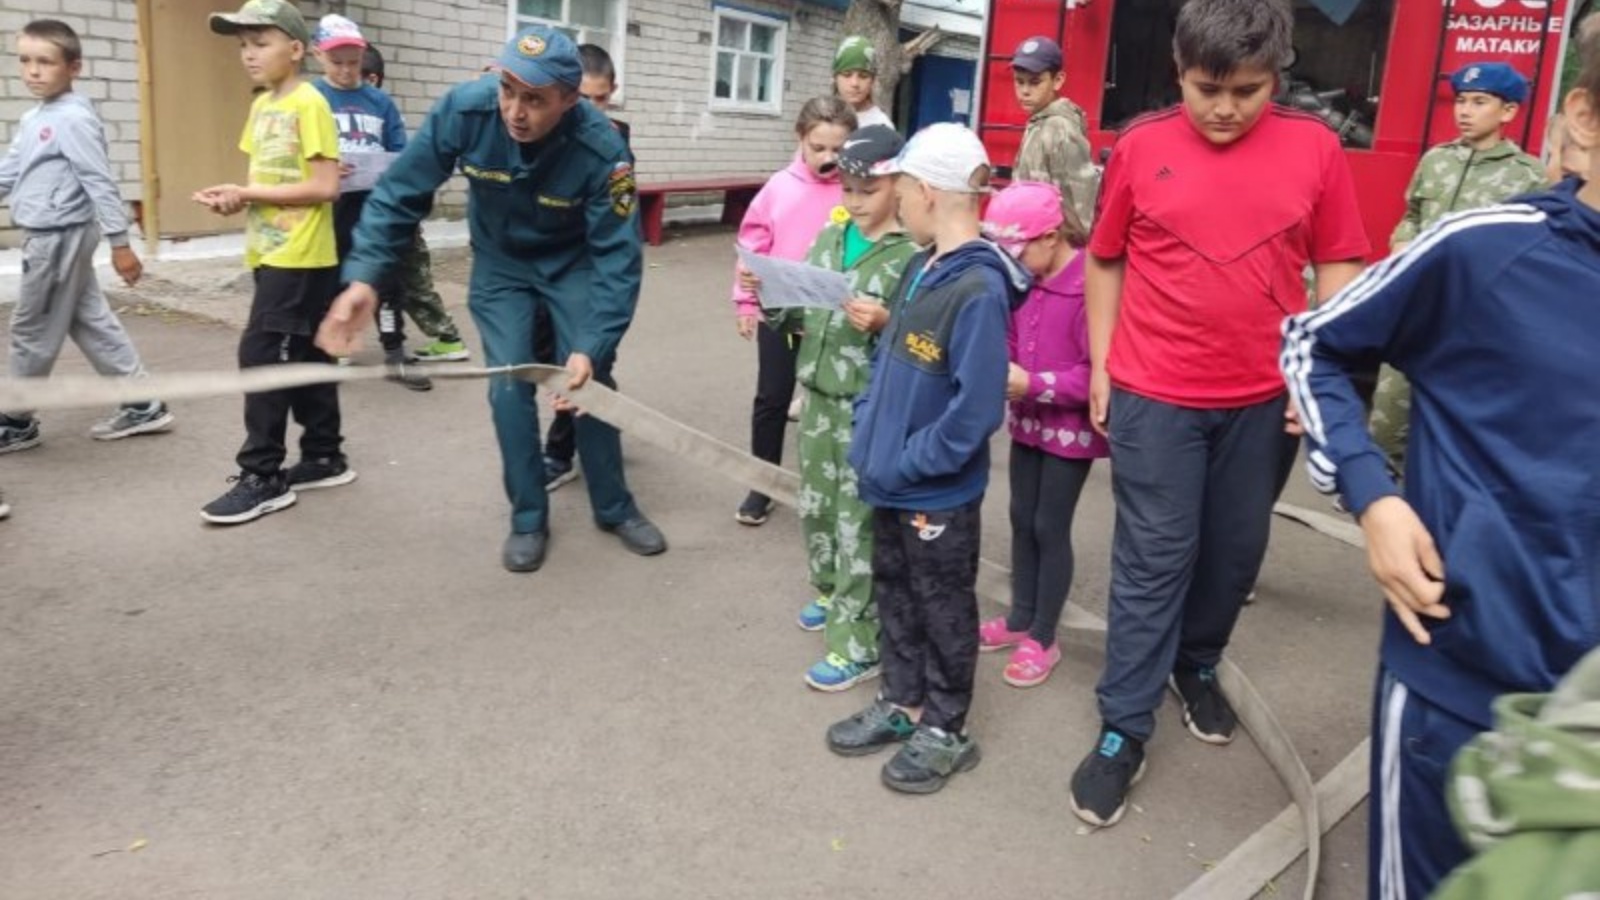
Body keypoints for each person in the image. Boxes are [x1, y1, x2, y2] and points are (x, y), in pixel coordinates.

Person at [1279, 37, 1600, 899]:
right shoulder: (1486, 248)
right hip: (1461, 690)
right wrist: (1372, 497)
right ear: (1584, 115)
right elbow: (1315, 342)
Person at [1072, 0, 1369, 827]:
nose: (1227, 108)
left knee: (1235, 554)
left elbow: (1340, 260)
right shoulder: (1141, 145)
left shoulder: (1316, 147)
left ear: (1277, 76)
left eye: (1248, 90)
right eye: (1209, 89)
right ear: (1179, 70)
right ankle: (1123, 726)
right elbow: (1105, 259)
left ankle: (1196, 664)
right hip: (1154, 394)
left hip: (1263, 401)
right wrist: (1102, 361)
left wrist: (1317, 374)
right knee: (1153, 559)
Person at [317, 25, 666, 572]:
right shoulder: (465, 109)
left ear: (570, 99)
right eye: (507, 90)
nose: (515, 112)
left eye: (535, 99)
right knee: (508, 385)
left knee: (589, 381)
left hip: (572, 263)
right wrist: (363, 278)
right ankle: (528, 517)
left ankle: (615, 507)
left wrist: (591, 345)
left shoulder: (602, 148)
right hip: (502, 265)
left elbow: (617, 259)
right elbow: (398, 193)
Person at [824, 123, 1028, 794]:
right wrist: (869, 432)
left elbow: (976, 411)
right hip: (889, 476)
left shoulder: (979, 290)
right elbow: (888, 365)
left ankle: (946, 727)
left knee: (942, 605)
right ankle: (903, 701)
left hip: (933, 491)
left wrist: (910, 460)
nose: (898, 202)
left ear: (927, 192)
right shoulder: (921, 267)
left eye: (902, 189)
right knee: (896, 592)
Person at [766, 125, 917, 691]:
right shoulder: (831, 237)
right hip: (818, 399)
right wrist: (768, 292)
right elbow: (797, 311)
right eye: (847, 189)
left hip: (866, 408)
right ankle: (830, 591)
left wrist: (885, 322)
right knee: (817, 508)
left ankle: (858, 642)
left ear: (898, 185)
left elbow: (921, 342)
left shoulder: (909, 256)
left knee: (859, 524)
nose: (854, 201)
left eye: (867, 190)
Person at [194, 0, 350, 525]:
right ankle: (325, 456)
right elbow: (268, 182)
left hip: (301, 255)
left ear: (296, 48)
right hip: (270, 249)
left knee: (262, 355)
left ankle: (262, 475)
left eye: (261, 43)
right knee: (307, 352)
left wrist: (247, 193)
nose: (249, 54)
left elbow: (325, 186)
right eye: (243, 45)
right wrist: (235, 197)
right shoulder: (262, 105)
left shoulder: (310, 103)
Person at [0, 19, 173, 455]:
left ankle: (16, 420)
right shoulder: (35, 117)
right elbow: (10, 172)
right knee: (89, 319)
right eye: (25, 60)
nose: (33, 71)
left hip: (57, 237)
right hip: (51, 234)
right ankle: (142, 405)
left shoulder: (73, 118)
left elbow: (99, 182)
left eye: (45, 62)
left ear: (73, 67)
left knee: (33, 327)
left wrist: (120, 243)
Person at [1370, 61, 1547, 476]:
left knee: (1452, 427)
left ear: (1508, 111)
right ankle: (1377, 493)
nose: (1465, 111)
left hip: (1475, 320)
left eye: (1479, 102)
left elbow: (1535, 252)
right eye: (1461, 101)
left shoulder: (1528, 176)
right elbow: (1412, 213)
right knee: (1386, 419)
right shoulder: (1436, 160)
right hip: (1416, 309)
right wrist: (1401, 242)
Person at [977, 181, 1107, 689]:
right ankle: (1019, 616)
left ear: (1051, 237)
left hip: (1070, 429)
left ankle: (1044, 635)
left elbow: (1098, 370)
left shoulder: (1091, 285)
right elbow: (1010, 338)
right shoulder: (1023, 279)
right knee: (1020, 517)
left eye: (1017, 250)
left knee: (1050, 525)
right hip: (1027, 419)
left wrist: (1034, 384)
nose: (1010, 262)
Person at [729, 97, 857, 527]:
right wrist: (745, 301)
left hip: (837, 317)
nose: (827, 158)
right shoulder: (778, 188)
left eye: (838, 149)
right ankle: (762, 485)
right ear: (799, 137)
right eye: (818, 147)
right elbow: (752, 248)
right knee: (772, 399)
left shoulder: (856, 189)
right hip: (781, 315)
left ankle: (834, 488)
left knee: (833, 403)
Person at [309, 15, 431, 392]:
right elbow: (294, 154)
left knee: (387, 281)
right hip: (330, 208)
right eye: (337, 62)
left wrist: (391, 168)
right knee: (329, 277)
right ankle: (329, 351)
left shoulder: (380, 102)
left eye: (353, 62)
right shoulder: (311, 99)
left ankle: (395, 352)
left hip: (375, 207)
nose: (347, 70)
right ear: (318, 55)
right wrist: (325, 167)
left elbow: (400, 152)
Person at [540, 42, 633, 493]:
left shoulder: (617, 138)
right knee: (553, 356)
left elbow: (620, 208)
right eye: (585, 98)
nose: (594, 108)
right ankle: (595, 422)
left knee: (588, 357)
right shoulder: (548, 131)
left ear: (612, 91)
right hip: (551, 265)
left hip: (596, 267)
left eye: (602, 98)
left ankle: (560, 453)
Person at [359, 44, 472, 365]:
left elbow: (406, 166)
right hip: (356, 214)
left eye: (353, 70)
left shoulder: (384, 112)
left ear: (372, 78)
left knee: (411, 281)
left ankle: (447, 338)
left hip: (395, 216)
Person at [1010, 36, 1098, 236]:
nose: (1024, 91)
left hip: (1052, 245)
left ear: (1058, 80)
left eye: (1035, 82)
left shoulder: (1060, 128)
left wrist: (1074, 249)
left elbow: (1080, 203)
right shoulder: (1039, 122)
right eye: (1019, 81)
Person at [833, 36, 893, 131]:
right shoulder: (821, 117)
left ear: (872, 81)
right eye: (847, 75)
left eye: (863, 76)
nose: (855, 83)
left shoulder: (881, 126)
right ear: (835, 78)